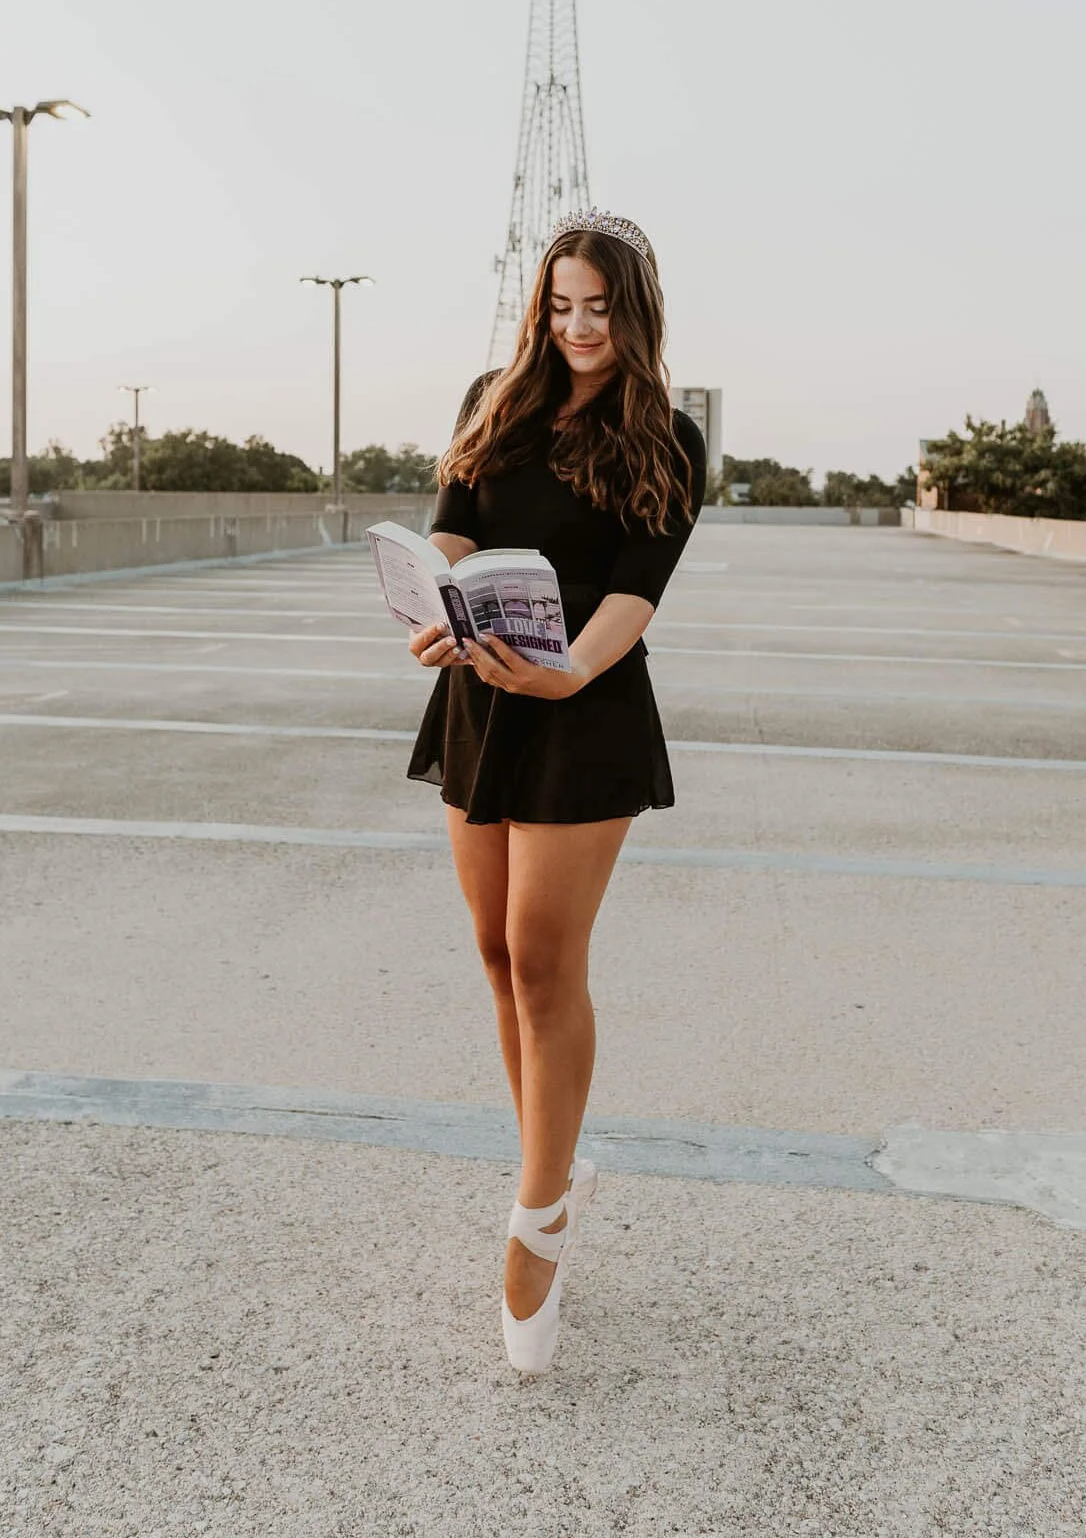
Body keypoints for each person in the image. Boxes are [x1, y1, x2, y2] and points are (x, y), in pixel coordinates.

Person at [405, 207, 706, 1373]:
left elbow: (639, 587)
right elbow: (451, 524)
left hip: (582, 702)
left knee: (543, 958)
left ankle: (539, 1219)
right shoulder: (498, 395)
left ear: (634, 314)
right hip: (481, 692)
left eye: (600, 307)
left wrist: (570, 666)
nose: (578, 325)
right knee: (490, 948)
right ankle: (552, 1150)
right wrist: (435, 602)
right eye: (561, 304)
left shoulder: (666, 434)